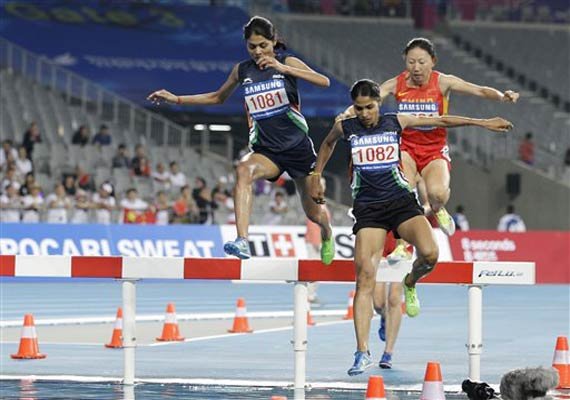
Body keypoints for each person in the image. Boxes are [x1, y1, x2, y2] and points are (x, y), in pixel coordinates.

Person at [310, 79, 513, 376]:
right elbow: (327, 144)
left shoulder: (396, 121)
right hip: (369, 209)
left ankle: (410, 282)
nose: (364, 113)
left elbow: (441, 120)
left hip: (401, 203)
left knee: (430, 254)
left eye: (369, 107)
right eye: (359, 108)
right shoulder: (347, 127)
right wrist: (316, 175)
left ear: (379, 103)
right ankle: (362, 351)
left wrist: (482, 123)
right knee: (364, 277)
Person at [147, 16, 334, 263]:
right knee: (243, 170)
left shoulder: (288, 62)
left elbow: (324, 81)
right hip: (267, 151)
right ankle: (242, 240)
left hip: (298, 149)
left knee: (313, 214)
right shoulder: (242, 70)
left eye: (263, 45)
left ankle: (327, 232)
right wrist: (177, 99)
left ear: (273, 41)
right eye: (252, 46)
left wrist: (284, 69)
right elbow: (217, 98)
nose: (258, 51)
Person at [338, 38, 519, 237]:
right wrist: (346, 114)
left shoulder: (443, 82)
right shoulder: (396, 84)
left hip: (434, 149)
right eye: (411, 62)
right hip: (405, 147)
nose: (416, 68)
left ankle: (438, 208)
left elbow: (479, 90)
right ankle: (403, 245)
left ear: (433, 61)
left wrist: (502, 96)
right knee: (401, 194)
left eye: (421, 62)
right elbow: (368, 100)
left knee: (437, 194)